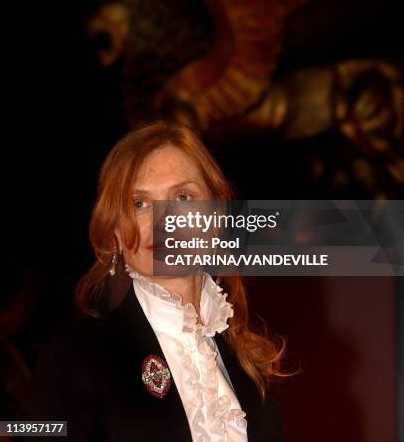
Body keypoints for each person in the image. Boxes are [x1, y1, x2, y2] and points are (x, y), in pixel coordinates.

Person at [20, 121, 286, 441]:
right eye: (139, 203)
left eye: (183, 197)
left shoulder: (248, 365)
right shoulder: (75, 357)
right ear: (115, 231)